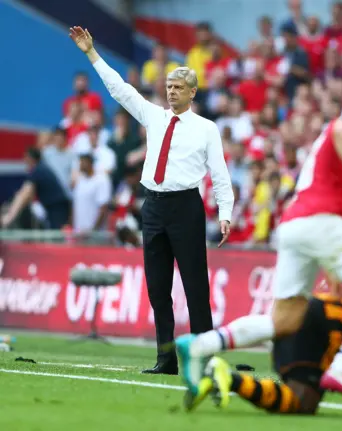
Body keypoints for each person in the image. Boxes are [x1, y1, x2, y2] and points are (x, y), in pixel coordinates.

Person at [174, 79, 342, 407]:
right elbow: (341, 128)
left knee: (285, 321)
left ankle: (200, 345)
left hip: (296, 224)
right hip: (319, 219)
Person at [69, 27, 234, 375]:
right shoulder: (154, 116)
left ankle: (204, 358)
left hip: (186, 207)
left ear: (192, 92)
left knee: (195, 288)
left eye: (178, 87)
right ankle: (166, 358)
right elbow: (119, 90)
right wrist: (91, 54)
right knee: (158, 289)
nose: (171, 92)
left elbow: (219, 175)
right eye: (169, 86)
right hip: (154, 207)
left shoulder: (206, 128)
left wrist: (226, 212)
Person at [188, 294, 342, 417]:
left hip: (319, 325)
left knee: (301, 404)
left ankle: (227, 377)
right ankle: (217, 362)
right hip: (320, 329)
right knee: (303, 402)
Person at [1, 147, 70, 229]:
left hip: (58, 208)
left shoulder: (38, 170)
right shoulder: (42, 167)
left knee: (58, 235)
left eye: (25, 157)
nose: (24, 160)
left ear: (30, 158)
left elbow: (24, 194)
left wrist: (9, 217)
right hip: (56, 207)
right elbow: (27, 194)